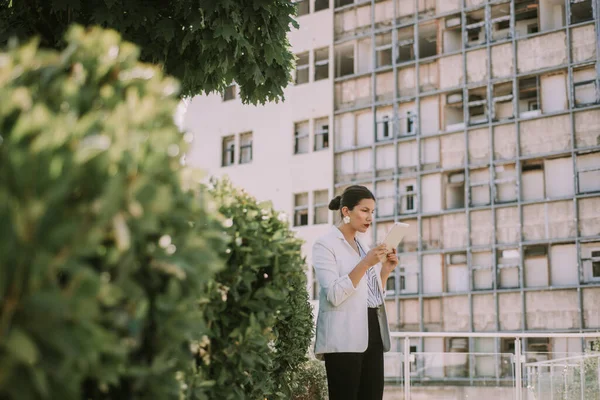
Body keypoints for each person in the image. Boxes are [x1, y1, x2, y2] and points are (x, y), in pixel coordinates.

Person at [312, 185, 399, 400]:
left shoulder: (362, 244)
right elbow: (334, 294)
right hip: (344, 336)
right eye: (364, 210)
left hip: (372, 331)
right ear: (346, 212)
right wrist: (365, 263)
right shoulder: (325, 245)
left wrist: (385, 272)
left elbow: (368, 295)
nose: (369, 217)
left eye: (372, 212)